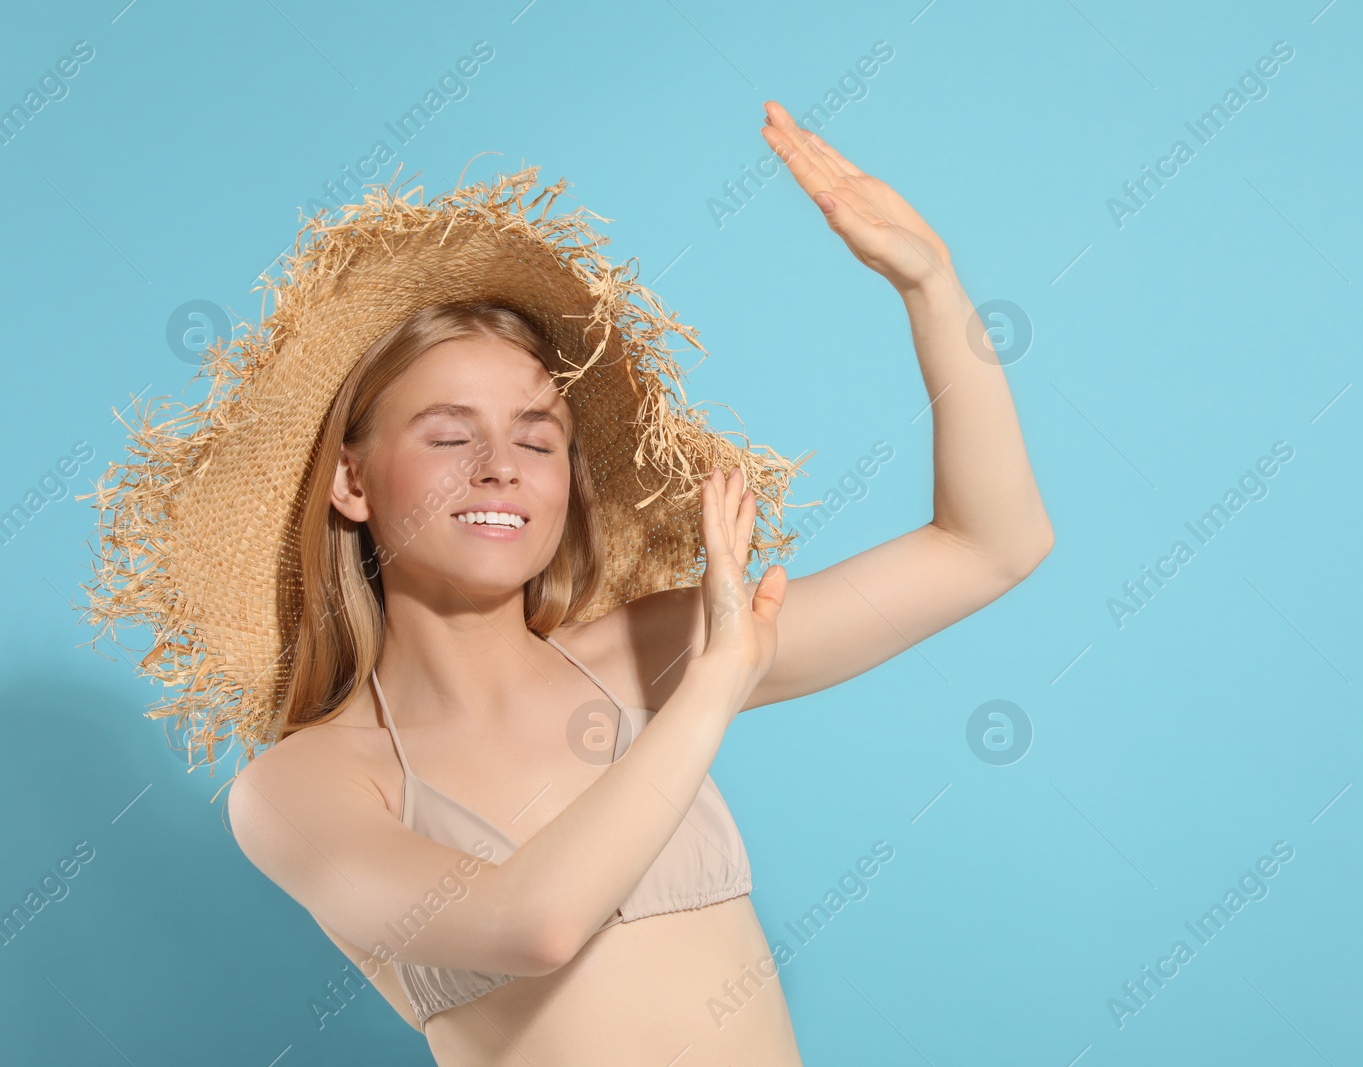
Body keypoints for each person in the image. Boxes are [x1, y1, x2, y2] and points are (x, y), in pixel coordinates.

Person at [80, 100, 1053, 1066]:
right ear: (352, 480)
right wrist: (716, 681)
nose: (502, 464)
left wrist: (931, 286)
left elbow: (989, 545)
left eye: (537, 437)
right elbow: (533, 922)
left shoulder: (638, 656)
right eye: (451, 434)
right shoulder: (302, 786)